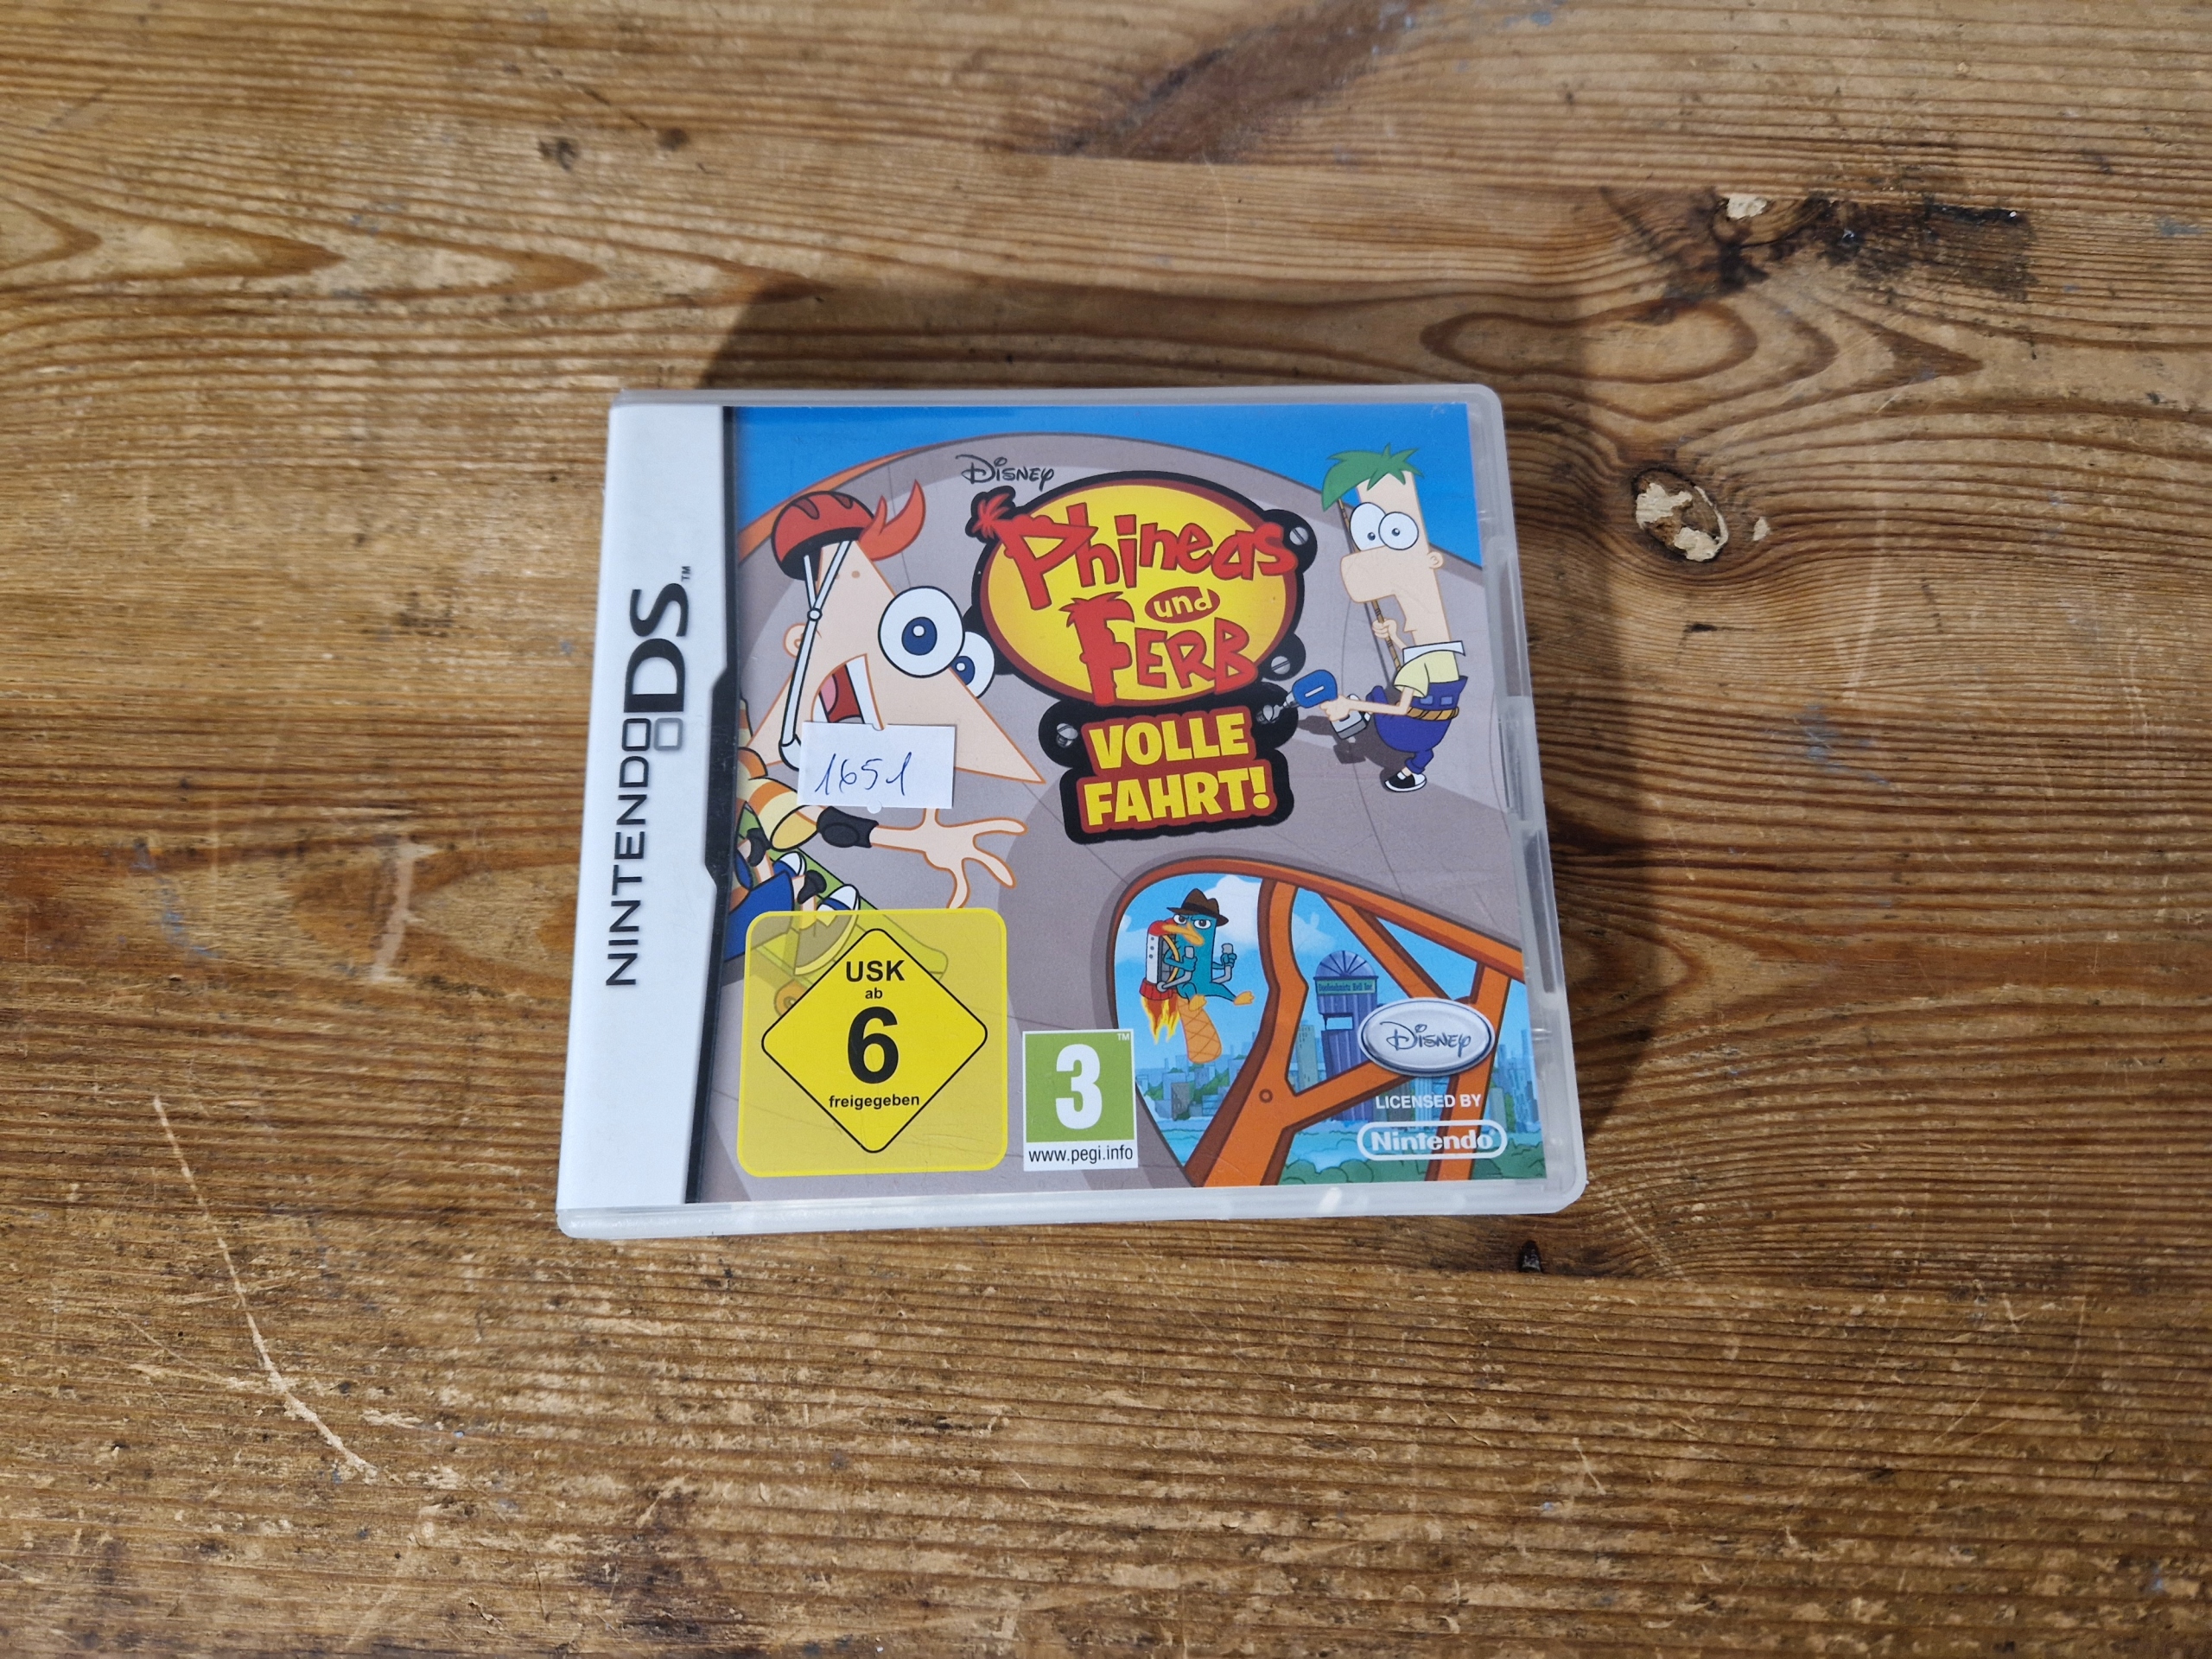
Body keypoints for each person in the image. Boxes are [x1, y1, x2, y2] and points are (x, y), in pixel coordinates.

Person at [1314, 448, 1466, 794]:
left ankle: (1362, 722)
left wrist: (1349, 704)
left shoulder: (1420, 667)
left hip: (1406, 733)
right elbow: (1421, 665)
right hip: (1432, 729)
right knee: (1385, 695)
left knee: (1376, 696)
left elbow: (1400, 708)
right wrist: (1397, 637)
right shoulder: (1441, 658)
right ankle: (1415, 767)